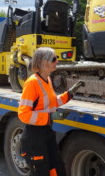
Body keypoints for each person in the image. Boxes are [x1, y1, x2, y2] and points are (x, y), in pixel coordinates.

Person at [18, 47, 84, 176]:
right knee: (41, 172)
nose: (57, 61)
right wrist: (49, 117)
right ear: (43, 62)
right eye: (54, 59)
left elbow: (51, 102)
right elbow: (23, 114)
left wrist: (69, 94)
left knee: (55, 169)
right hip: (34, 137)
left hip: (47, 132)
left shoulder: (47, 79)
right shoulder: (32, 83)